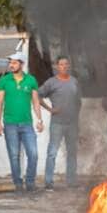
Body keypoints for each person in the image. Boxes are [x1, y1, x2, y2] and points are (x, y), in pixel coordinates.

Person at [0, 52, 44, 193]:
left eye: (15, 62)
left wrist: (39, 120)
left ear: (22, 64)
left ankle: (30, 182)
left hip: (27, 124)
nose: (11, 65)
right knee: (14, 155)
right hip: (10, 124)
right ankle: (18, 183)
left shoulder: (31, 80)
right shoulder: (4, 80)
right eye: (10, 62)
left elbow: (35, 101)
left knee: (33, 154)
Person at [39, 55, 82, 190]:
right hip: (57, 123)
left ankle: (71, 181)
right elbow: (38, 95)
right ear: (57, 67)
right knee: (52, 153)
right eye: (61, 64)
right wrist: (49, 109)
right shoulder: (51, 82)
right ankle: (48, 182)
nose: (64, 66)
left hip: (72, 124)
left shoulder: (74, 82)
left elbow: (78, 102)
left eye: (66, 64)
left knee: (72, 152)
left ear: (69, 66)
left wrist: (77, 119)